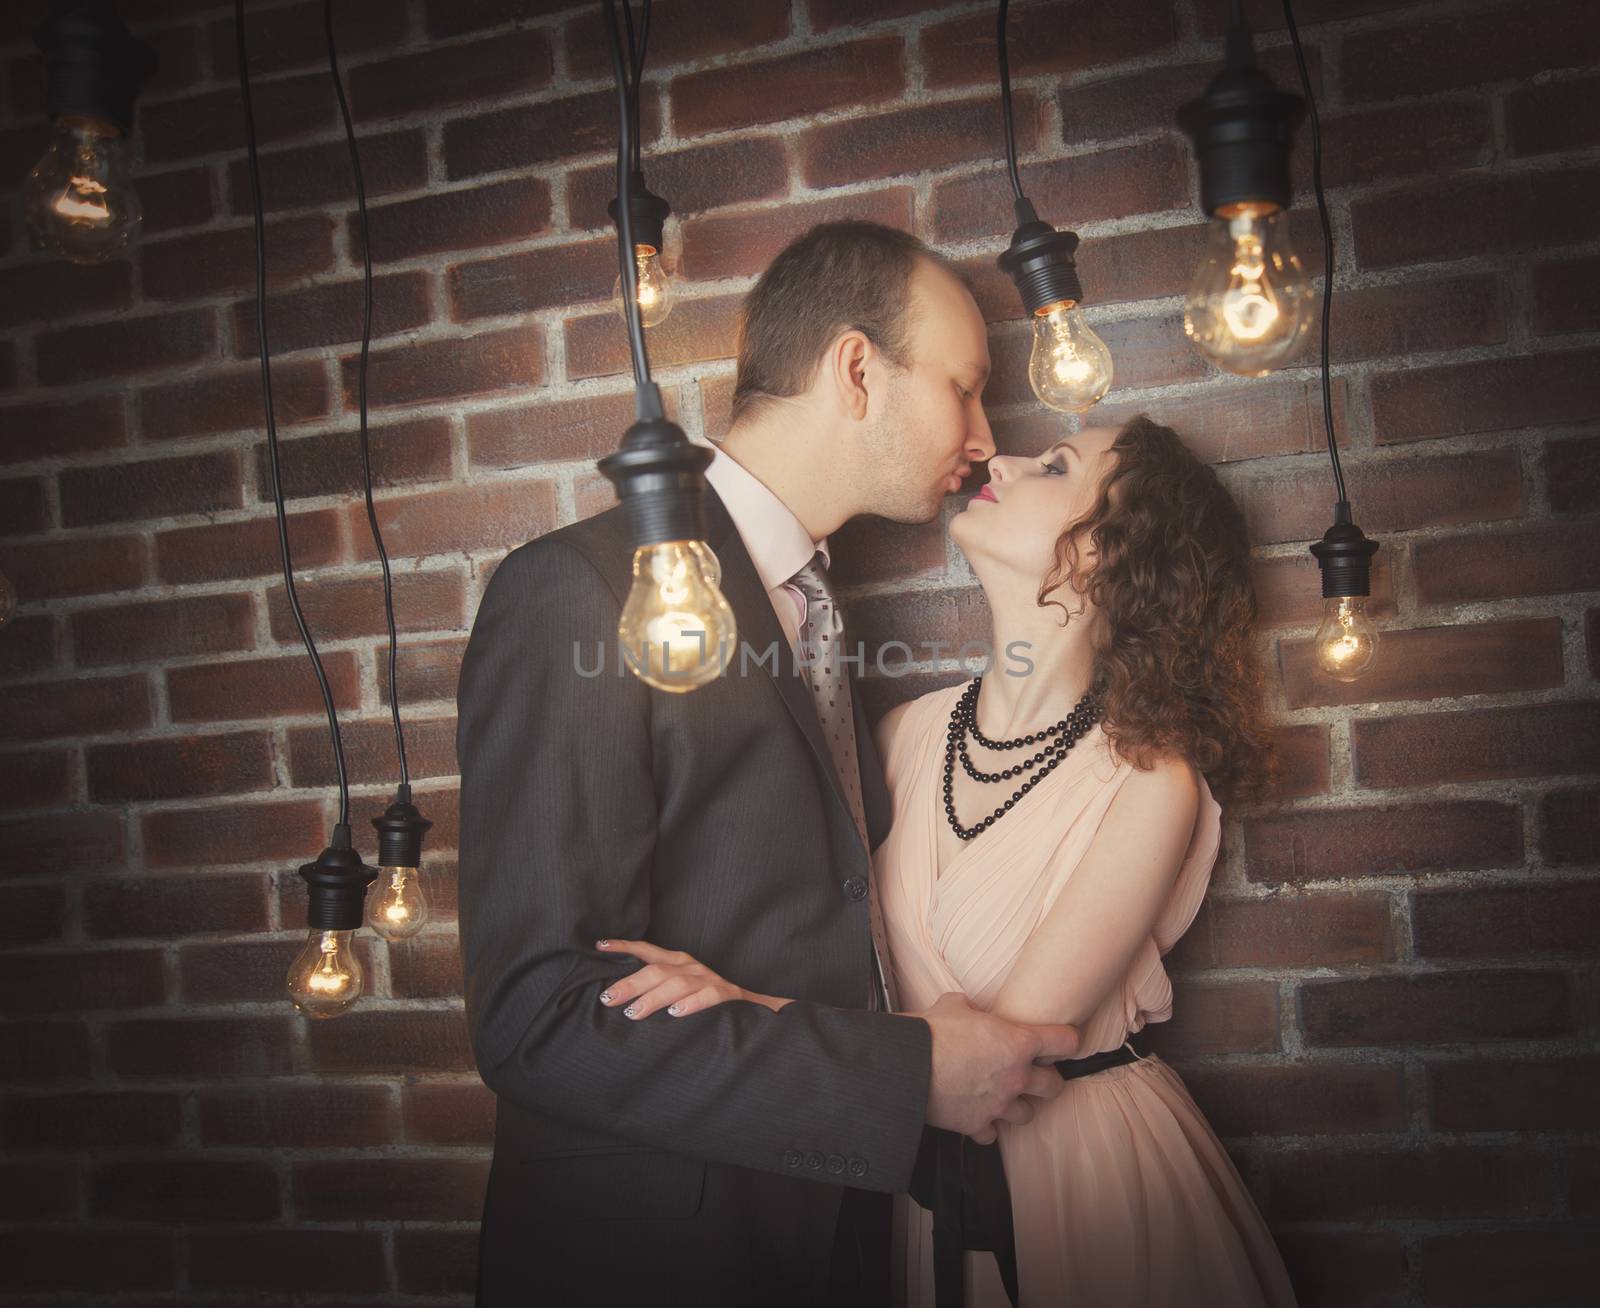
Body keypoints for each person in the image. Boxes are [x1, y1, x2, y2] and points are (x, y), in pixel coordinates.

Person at [454, 220, 1083, 1308]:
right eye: (966, 387)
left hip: (838, 1236)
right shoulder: (581, 592)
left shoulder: (822, 610)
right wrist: (905, 1075)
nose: (983, 435)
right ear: (855, 370)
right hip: (654, 1257)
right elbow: (538, 1016)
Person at [600, 415, 1299, 1307]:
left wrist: (741, 1008)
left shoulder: (1151, 780)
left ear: (1108, 555)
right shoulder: (904, 734)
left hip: (1084, 1185)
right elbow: (845, 961)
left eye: (1054, 467)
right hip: (918, 1181)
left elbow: (1003, 1058)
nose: (999, 459)